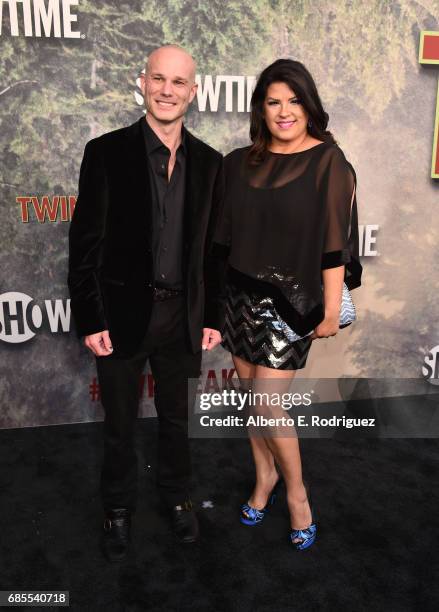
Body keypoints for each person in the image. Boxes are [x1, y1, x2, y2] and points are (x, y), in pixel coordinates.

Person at [68, 45, 223, 561]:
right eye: (158, 79)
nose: (167, 90)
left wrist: (213, 317)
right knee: (119, 424)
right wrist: (91, 316)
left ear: (193, 92)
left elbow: (213, 252)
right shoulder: (106, 152)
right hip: (120, 319)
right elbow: (85, 243)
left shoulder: (210, 163)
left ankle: (178, 501)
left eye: (179, 82)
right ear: (142, 82)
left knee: (177, 422)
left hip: (181, 319)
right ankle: (116, 510)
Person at [214, 59, 362, 550]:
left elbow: (334, 243)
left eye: (294, 101)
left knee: (265, 402)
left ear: (309, 105)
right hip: (237, 297)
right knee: (252, 404)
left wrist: (330, 308)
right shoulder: (238, 162)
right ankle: (264, 479)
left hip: (290, 305)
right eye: (273, 101)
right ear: (261, 108)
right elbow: (223, 238)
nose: (284, 111)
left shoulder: (328, 162)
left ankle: (297, 494)